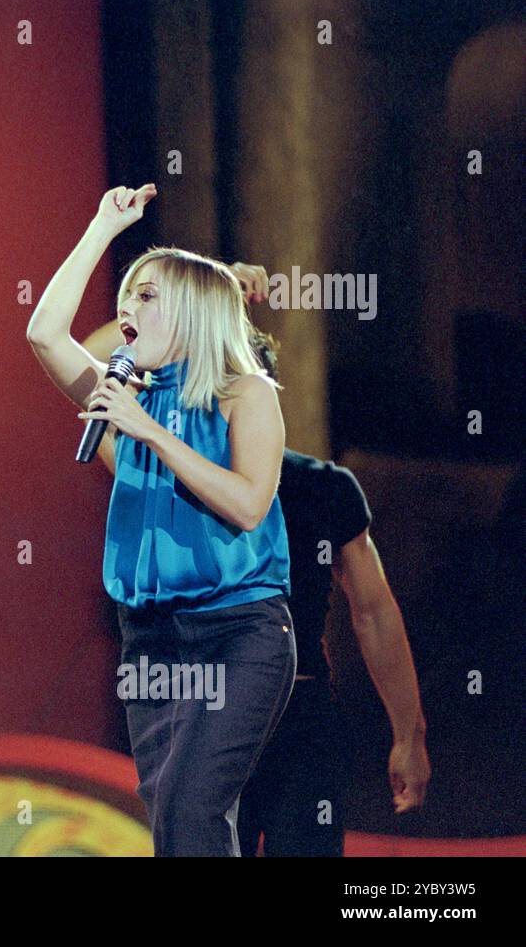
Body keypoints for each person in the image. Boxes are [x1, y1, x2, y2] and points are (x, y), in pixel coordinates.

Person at [84, 289, 432, 856]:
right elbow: (88, 360)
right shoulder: (154, 461)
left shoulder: (324, 486)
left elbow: (374, 614)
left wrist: (409, 732)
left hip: (298, 709)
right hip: (200, 704)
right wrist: (205, 283)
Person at [27, 184, 294, 856]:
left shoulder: (244, 394)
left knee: (192, 804)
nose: (127, 310)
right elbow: (43, 333)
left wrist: (150, 432)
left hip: (239, 631)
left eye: (148, 297)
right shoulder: (126, 395)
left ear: (197, 312)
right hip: (149, 638)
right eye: (128, 295)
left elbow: (248, 502)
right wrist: (101, 227)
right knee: (173, 825)